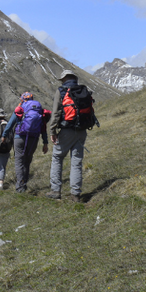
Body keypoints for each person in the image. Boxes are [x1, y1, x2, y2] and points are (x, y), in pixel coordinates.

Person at [46, 70, 95, 202]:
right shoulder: (82, 90)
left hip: (66, 130)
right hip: (82, 130)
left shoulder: (61, 91)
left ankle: (56, 190)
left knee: (57, 157)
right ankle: (75, 194)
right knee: (76, 162)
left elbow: (56, 113)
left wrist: (52, 132)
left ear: (65, 78)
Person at [10, 92, 48, 194]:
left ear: (22, 99)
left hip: (19, 137)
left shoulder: (21, 108)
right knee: (27, 161)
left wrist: (5, 135)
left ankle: (20, 187)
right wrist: (45, 142)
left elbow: (11, 123)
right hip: (34, 138)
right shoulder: (38, 109)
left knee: (19, 161)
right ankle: (24, 183)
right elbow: (43, 127)